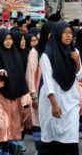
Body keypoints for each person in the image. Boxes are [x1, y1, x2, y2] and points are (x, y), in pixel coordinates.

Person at [38, 22, 82, 155]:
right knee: (52, 136)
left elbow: (79, 76)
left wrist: (78, 62)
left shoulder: (74, 52)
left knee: (71, 135)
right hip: (52, 100)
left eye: (70, 33)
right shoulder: (47, 55)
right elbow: (47, 82)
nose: (69, 36)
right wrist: (54, 104)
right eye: (65, 32)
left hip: (71, 100)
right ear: (58, 34)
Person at [25, 21, 54, 154]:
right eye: (50, 33)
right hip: (39, 92)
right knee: (38, 122)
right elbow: (30, 75)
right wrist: (33, 95)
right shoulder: (35, 51)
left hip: (55, 93)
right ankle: (39, 149)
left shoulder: (57, 49)